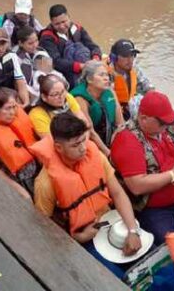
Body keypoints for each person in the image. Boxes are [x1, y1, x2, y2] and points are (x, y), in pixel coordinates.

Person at [30, 112, 143, 279]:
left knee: (149, 262)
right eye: (76, 145)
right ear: (59, 147)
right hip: (82, 239)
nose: (83, 148)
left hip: (110, 222)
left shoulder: (95, 155)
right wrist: (79, 238)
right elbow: (44, 229)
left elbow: (118, 193)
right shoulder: (45, 184)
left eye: (84, 140)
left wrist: (133, 231)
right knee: (118, 279)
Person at [110, 92, 174, 245]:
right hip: (155, 210)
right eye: (162, 123)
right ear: (143, 118)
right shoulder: (127, 140)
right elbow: (136, 185)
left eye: (169, 123)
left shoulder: (167, 128)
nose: (166, 126)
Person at [28, 74, 108, 153]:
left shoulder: (68, 97)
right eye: (55, 94)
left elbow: (85, 124)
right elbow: (52, 142)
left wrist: (82, 143)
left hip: (81, 141)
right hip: (60, 152)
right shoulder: (37, 114)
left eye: (63, 91)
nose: (61, 97)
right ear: (44, 97)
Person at [39, 4, 102, 88]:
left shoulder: (78, 28)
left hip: (85, 64)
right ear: (51, 22)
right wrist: (80, 66)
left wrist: (95, 59)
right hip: (65, 72)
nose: (61, 26)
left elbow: (93, 46)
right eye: (57, 24)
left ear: (69, 17)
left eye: (64, 22)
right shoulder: (47, 37)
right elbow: (55, 62)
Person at [71, 61, 124, 147]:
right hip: (91, 143)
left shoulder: (110, 92)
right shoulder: (79, 99)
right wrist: (107, 153)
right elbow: (90, 132)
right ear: (89, 79)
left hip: (111, 137)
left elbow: (120, 123)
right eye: (101, 75)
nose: (106, 78)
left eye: (107, 75)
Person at [108, 39, 155, 120]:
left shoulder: (134, 69)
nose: (130, 60)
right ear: (114, 58)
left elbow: (148, 87)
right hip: (113, 111)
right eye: (125, 56)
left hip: (129, 106)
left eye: (132, 55)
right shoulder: (105, 74)